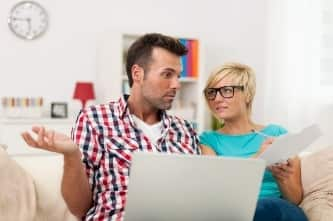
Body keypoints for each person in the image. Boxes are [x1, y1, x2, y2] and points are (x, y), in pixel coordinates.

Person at [21, 33, 200, 221]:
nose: (176, 85)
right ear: (137, 74)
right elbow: (78, 208)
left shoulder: (185, 130)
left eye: (178, 76)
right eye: (167, 74)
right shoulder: (95, 120)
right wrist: (72, 155)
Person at [200, 62, 308, 221]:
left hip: (279, 210)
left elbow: (295, 199)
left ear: (248, 94)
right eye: (212, 92)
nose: (217, 98)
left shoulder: (277, 133)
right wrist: (260, 159)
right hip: (235, 210)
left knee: (271, 208)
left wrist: (281, 178)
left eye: (226, 91)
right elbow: (217, 190)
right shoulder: (207, 141)